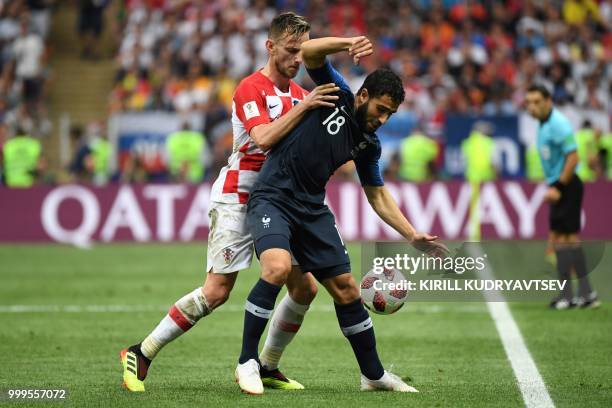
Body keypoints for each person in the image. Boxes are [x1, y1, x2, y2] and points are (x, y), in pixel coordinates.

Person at [120, 12, 341, 392]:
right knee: (217, 291)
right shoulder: (250, 88)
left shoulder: (303, 94)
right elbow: (265, 138)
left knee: (304, 288)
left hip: (282, 202)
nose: (297, 60)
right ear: (270, 47)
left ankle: (268, 366)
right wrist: (305, 109)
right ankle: (141, 351)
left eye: (302, 52)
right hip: (239, 195)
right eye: (291, 51)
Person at [235, 36, 449, 395]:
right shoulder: (337, 94)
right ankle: (247, 361)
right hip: (273, 197)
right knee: (276, 268)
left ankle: (373, 376)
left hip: (311, 208)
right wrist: (349, 41)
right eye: (381, 109)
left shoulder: (369, 144)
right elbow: (310, 52)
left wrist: (411, 234)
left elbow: (377, 194)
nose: (382, 119)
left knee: (347, 289)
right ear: (363, 96)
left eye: (390, 115)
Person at [525, 84, 600, 310]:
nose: (532, 107)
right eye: (529, 102)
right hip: (561, 186)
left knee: (567, 239)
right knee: (562, 239)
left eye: (537, 102)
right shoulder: (544, 123)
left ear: (549, 101)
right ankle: (582, 293)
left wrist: (558, 186)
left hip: (567, 186)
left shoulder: (558, 124)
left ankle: (578, 294)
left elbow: (574, 157)